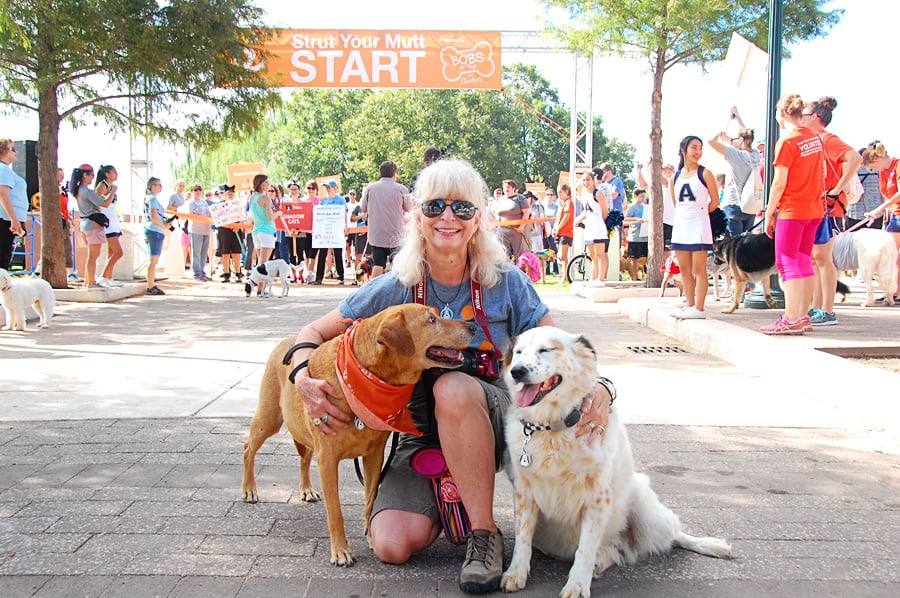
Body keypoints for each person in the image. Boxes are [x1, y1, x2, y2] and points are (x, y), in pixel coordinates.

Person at [287, 158, 614, 594]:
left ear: (479, 219)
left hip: (504, 423)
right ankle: (447, 492)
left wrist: (603, 388)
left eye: (462, 208)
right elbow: (311, 332)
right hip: (423, 435)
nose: (447, 217)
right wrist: (303, 380)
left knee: (454, 388)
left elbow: (564, 349)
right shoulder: (396, 287)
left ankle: (483, 534)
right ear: (417, 218)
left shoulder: (507, 283)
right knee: (391, 543)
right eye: (435, 206)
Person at [760, 93, 825, 335]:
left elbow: (779, 182)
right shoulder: (814, 138)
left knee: (786, 261)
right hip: (814, 209)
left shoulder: (787, 141)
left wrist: (769, 211)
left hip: (792, 209)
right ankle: (802, 315)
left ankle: (790, 316)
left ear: (783, 113)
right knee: (802, 259)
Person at [803, 97, 861, 326]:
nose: (802, 120)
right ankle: (817, 307)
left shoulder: (828, 139)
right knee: (816, 259)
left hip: (831, 208)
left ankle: (827, 309)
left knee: (823, 258)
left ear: (815, 118)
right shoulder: (815, 141)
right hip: (819, 206)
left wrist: (837, 189)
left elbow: (854, 157)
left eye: (806, 116)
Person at [669, 135, 720, 319]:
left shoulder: (705, 173)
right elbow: (676, 202)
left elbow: (714, 201)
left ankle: (699, 308)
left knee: (699, 268)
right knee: (684, 269)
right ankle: (689, 305)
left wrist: (701, 213)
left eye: (700, 148)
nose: (698, 152)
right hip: (681, 225)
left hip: (699, 225)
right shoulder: (675, 176)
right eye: (694, 148)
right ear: (684, 150)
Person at [860, 142, 900, 299]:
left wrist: (878, 210)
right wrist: (879, 213)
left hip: (897, 214)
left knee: (892, 255)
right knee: (890, 255)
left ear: (877, 160)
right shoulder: (884, 171)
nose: (873, 170)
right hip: (893, 215)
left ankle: (894, 291)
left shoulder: (897, 166)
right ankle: (893, 291)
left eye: (872, 167)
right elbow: (887, 196)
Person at [360, 160, 413, 278]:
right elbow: (410, 208)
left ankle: (374, 291)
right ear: (394, 173)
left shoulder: (370, 188)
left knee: (378, 263)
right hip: (395, 234)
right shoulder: (401, 189)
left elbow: (363, 209)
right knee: (397, 264)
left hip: (376, 234)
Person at [708, 126, 761, 236]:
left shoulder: (735, 154)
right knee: (745, 247)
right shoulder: (756, 155)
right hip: (750, 207)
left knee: (733, 247)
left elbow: (711, 142)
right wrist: (737, 116)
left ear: (741, 140)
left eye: (733, 140)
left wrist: (720, 133)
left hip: (733, 205)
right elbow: (747, 133)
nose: (731, 142)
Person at [70, 163, 114, 288]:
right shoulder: (86, 192)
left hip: (85, 224)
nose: (92, 177)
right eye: (89, 174)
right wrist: (112, 192)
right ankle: (90, 282)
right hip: (93, 225)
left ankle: (88, 281)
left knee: (92, 255)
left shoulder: (78, 190)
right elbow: (104, 203)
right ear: (83, 175)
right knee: (93, 255)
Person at [576, 170, 609, 286]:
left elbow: (605, 212)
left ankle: (601, 278)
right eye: (584, 180)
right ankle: (594, 277)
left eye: (588, 180)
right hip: (589, 227)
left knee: (601, 254)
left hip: (598, 226)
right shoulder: (584, 195)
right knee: (592, 255)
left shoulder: (598, 194)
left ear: (593, 180)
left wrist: (601, 223)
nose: (586, 182)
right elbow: (587, 211)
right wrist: (578, 220)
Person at [92, 165, 124, 288]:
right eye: (114, 172)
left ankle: (108, 277)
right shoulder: (102, 186)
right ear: (107, 174)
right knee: (118, 252)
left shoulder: (110, 186)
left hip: (113, 220)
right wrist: (112, 192)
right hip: (107, 222)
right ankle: (103, 276)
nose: (116, 174)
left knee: (111, 252)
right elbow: (101, 203)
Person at [312, 180, 347, 285]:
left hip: (336, 230)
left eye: (329, 187)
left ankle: (341, 276)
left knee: (337, 253)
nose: (327, 189)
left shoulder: (341, 200)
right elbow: (318, 214)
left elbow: (344, 213)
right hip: (324, 230)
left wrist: (345, 226)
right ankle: (318, 278)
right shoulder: (322, 200)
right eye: (326, 187)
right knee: (322, 254)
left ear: (335, 188)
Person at [0, 139, 28, 270]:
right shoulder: (3, 170)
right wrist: (14, 219)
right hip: (4, 221)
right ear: (4, 151)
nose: (16, 152)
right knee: (2, 260)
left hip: (6, 220)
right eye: (12, 149)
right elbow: (3, 194)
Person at [492, 179, 530, 258]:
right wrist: (498, 221)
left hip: (517, 231)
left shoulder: (521, 198)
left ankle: (521, 270)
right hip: (502, 231)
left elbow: (526, 213)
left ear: (513, 188)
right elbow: (497, 212)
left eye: (508, 187)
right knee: (503, 254)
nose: (506, 189)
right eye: (504, 187)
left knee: (520, 255)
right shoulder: (501, 199)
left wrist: (522, 226)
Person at [143, 177, 168, 296]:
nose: (160, 187)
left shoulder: (150, 198)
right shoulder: (152, 198)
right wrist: (163, 224)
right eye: (158, 185)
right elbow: (153, 215)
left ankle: (151, 284)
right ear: (152, 186)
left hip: (153, 230)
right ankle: (150, 285)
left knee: (153, 260)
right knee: (153, 260)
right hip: (154, 230)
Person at [847, 149, 882, 231]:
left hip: (854, 212)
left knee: (853, 241)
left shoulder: (851, 170)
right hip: (875, 212)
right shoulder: (877, 171)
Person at [215, 184, 243, 283]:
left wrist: (238, 226)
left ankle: (238, 273)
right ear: (224, 195)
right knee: (225, 253)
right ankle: (226, 273)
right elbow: (217, 218)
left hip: (236, 231)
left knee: (236, 253)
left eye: (232, 193)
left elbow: (242, 217)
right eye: (228, 193)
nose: (230, 195)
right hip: (224, 231)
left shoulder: (238, 204)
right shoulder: (219, 206)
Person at [250, 174, 279, 267]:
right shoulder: (266, 198)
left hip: (257, 230)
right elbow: (270, 217)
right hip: (266, 230)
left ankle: (259, 281)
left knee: (261, 262)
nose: (268, 184)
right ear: (260, 184)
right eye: (266, 182)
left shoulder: (252, 198)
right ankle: (256, 281)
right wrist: (278, 214)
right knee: (263, 264)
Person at [623, 188, 649, 281]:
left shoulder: (646, 207)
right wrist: (636, 219)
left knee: (647, 257)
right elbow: (625, 219)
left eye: (644, 196)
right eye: (641, 196)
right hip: (635, 236)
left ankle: (648, 275)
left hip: (645, 235)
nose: (643, 198)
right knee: (634, 258)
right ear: (636, 196)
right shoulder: (632, 207)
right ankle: (634, 276)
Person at [554, 183, 575, 283]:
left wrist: (558, 228)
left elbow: (566, 217)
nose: (559, 194)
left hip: (566, 232)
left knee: (563, 256)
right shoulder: (561, 204)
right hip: (560, 232)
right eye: (558, 192)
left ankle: (565, 277)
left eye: (560, 192)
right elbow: (559, 218)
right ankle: (563, 275)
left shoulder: (568, 203)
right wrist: (555, 229)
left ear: (566, 192)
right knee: (560, 256)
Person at [168, 179, 190, 270]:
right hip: (176, 220)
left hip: (183, 221)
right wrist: (179, 209)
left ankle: (183, 263)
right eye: (180, 185)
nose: (181, 187)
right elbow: (168, 207)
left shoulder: (182, 197)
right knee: (177, 242)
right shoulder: (173, 196)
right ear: (176, 186)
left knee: (183, 244)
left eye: (183, 185)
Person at [541, 188, 560, 275]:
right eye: (548, 194)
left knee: (554, 250)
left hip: (552, 231)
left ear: (554, 196)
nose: (549, 196)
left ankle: (555, 269)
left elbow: (557, 219)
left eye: (551, 195)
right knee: (545, 250)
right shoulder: (542, 206)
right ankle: (547, 270)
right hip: (544, 231)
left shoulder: (556, 207)